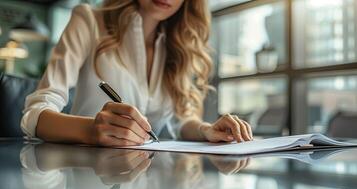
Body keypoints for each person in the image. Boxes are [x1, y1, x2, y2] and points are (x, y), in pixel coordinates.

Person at [21, 0, 253, 147]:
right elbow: (35, 115)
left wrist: (206, 130)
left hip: (154, 181)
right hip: (88, 178)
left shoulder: (177, 46)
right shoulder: (88, 20)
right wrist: (91, 130)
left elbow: (180, 121)